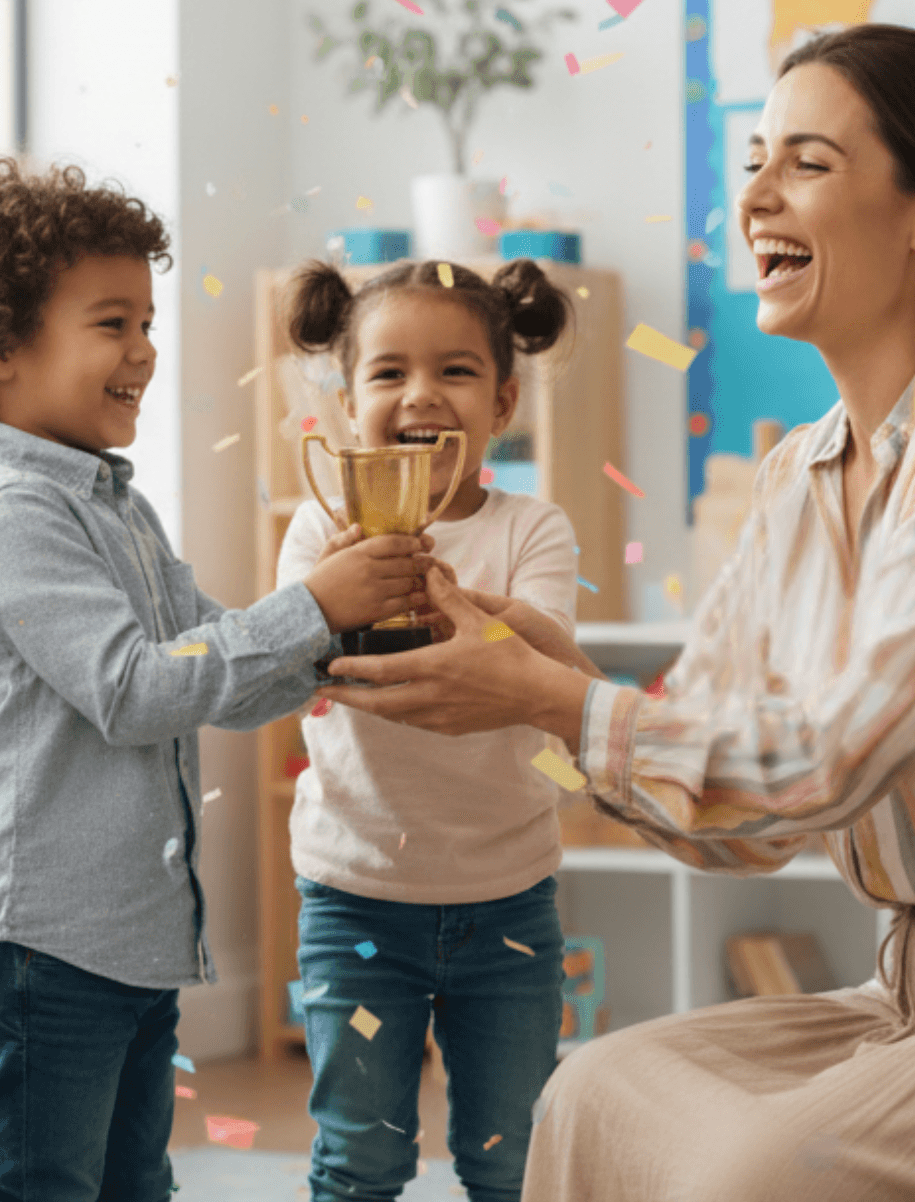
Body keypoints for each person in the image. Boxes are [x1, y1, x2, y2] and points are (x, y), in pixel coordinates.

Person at [317, 24, 915, 1200]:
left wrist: (557, 698)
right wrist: (556, 682)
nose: (756, 193)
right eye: (756, 156)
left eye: (807, 163)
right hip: (899, 992)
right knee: (590, 1092)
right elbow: (745, 824)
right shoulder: (794, 476)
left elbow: (844, 752)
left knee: (751, 1174)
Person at [0, 156, 436, 1202]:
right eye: (111, 323)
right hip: (39, 937)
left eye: (146, 320)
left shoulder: (117, 505)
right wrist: (316, 603)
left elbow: (215, 661)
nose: (144, 349)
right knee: (50, 1184)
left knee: (135, 1183)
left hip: (127, 935)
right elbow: (138, 689)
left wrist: (342, 639)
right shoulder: (12, 512)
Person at [276, 257, 581, 1202]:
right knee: (359, 1157)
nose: (422, 395)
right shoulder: (314, 535)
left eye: (456, 371)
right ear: (342, 403)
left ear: (504, 402)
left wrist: (440, 597)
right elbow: (290, 676)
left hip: (509, 900)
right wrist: (327, 597)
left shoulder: (536, 527)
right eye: (388, 372)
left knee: (511, 1157)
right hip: (354, 896)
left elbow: (540, 663)